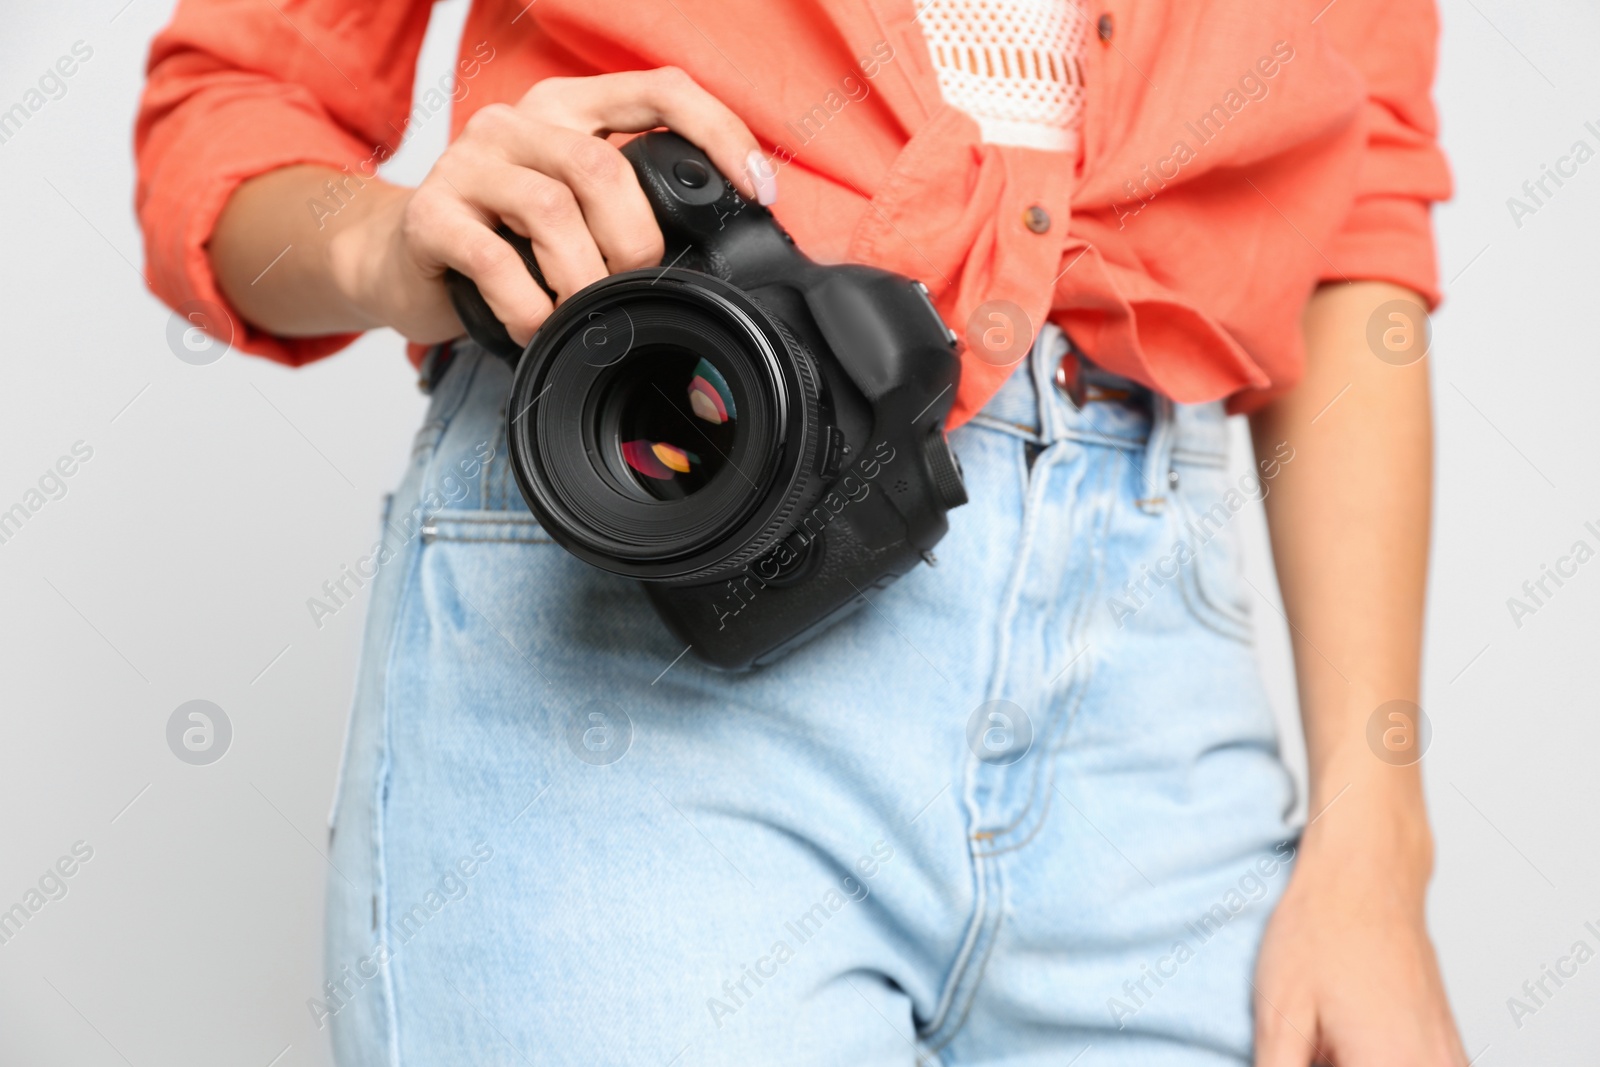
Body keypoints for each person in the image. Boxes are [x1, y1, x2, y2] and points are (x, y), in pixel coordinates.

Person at [136, 0, 1465, 1063]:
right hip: (636, 598)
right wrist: (388, 246)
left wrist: (1373, 837)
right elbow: (231, 110)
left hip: (1153, 689)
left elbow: (1357, 223)